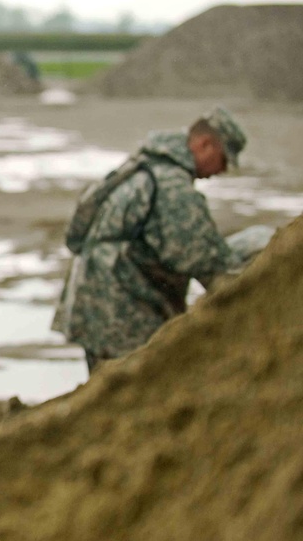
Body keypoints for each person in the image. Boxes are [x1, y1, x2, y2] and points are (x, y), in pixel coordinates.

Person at [52, 107, 247, 373]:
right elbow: (202, 258)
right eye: (223, 160)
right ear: (205, 144)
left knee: (107, 388)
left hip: (93, 299)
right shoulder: (171, 184)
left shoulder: (145, 165)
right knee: (129, 392)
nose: (221, 170)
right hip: (120, 309)